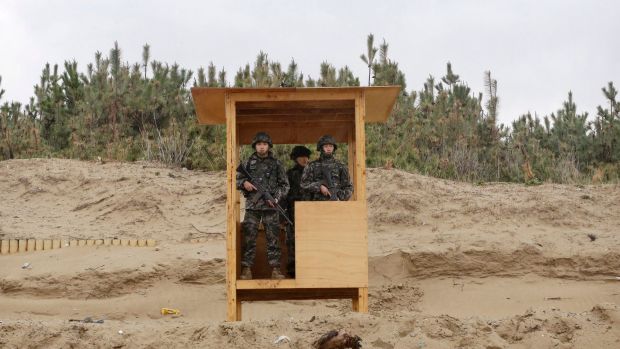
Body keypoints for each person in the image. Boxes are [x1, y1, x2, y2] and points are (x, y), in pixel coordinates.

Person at [236, 132, 289, 280]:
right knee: (249, 238)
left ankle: (276, 270)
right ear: (255, 146)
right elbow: (235, 180)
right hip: (253, 207)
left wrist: (276, 198)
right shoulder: (247, 163)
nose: (261, 147)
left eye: (264, 144)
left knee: (273, 239)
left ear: (269, 146)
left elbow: (285, 185)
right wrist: (243, 183)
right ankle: (246, 269)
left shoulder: (276, 163)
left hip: (270, 208)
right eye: (259, 144)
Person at [284, 145, 312, 277]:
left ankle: (310, 268)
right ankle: (292, 271)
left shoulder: (313, 173)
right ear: (295, 159)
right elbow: (283, 195)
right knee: (292, 240)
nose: (304, 159)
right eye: (301, 157)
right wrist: (282, 215)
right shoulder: (289, 174)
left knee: (311, 240)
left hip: (311, 211)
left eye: (306, 157)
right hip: (292, 211)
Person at [301, 135, 353, 201]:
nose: (328, 149)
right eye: (326, 146)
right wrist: (319, 186)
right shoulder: (312, 166)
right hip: (316, 206)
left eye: (331, 146)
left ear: (334, 148)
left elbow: (348, 187)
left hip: (337, 205)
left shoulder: (341, 166)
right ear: (321, 148)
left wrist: (340, 196)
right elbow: (303, 185)